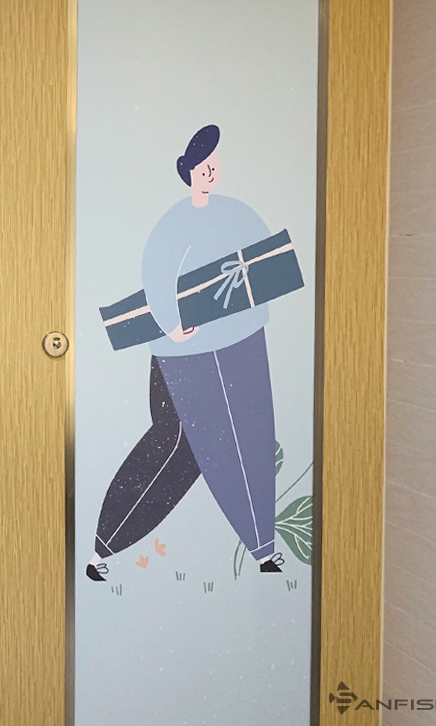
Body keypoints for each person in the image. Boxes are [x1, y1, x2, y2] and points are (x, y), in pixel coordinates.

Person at [87, 125, 284, 581]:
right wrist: (172, 328)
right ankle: (103, 548)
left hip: (242, 343)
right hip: (186, 354)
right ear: (189, 173)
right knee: (178, 445)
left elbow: (266, 263)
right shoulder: (174, 223)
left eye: (214, 162)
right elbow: (156, 274)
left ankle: (263, 550)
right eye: (201, 165)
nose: (210, 170)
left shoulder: (238, 213)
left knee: (250, 437)